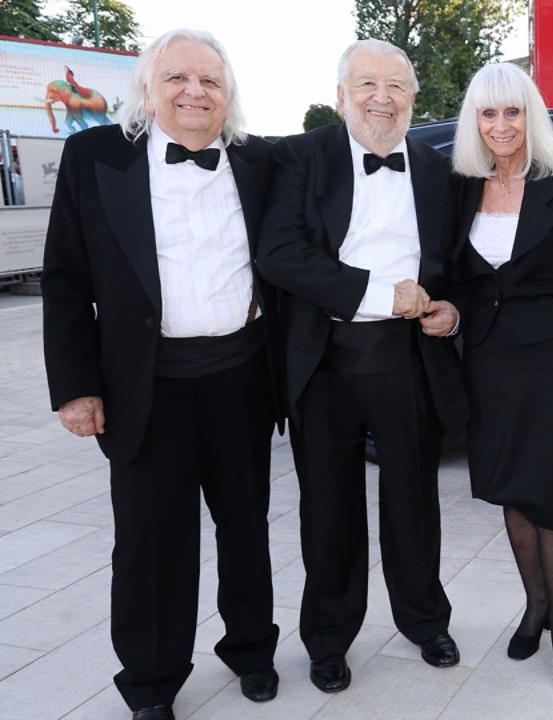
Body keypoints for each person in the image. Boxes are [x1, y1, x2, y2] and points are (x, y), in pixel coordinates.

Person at [41, 29, 283, 720]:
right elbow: (64, 278)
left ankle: (252, 650)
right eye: (177, 77)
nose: (194, 91)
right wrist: (77, 385)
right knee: (150, 542)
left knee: (246, 527)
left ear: (227, 90)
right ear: (149, 86)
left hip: (242, 375)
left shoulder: (261, 161)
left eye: (209, 80)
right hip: (144, 386)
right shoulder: (94, 157)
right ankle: (150, 682)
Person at [255, 39, 468, 693]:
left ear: (414, 98)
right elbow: (280, 253)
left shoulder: (440, 171)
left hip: (407, 360)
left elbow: (457, 264)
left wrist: (451, 309)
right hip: (324, 363)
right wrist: (382, 294)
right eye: (367, 84)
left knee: (414, 503)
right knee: (328, 508)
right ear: (342, 93)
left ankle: (425, 621)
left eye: (397, 86)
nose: (382, 97)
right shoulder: (302, 156)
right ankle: (327, 638)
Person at [449, 62, 553, 688]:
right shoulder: (461, 190)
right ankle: (534, 604)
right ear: (475, 122)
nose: (500, 125)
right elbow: (457, 276)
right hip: (489, 363)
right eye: (488, 113)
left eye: (512, 111)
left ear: (530, 117)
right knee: (512, 489)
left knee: (549, 497)